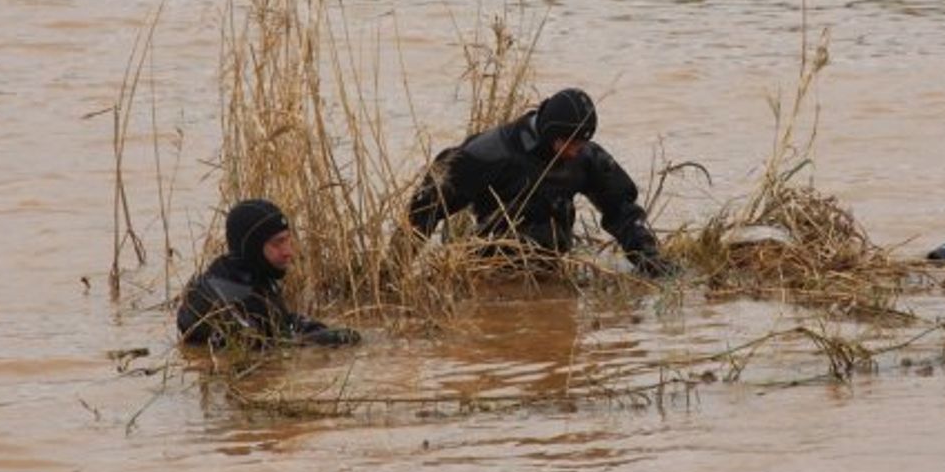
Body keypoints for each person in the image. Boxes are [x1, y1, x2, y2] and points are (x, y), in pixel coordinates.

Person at [404, 88, 678, 278]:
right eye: (569, 143)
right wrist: (395, 268)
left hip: (551, 268)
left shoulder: (586, 157)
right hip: (490, 271)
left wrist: (650, 259)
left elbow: (622, 210)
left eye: (581, 143)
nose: (575, 151)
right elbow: (424, 209)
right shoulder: (490, 153)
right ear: (549, 134)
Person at [177, 199, 361, 347]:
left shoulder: (252, 277)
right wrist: (324, 340)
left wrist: (316, 330)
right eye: (277, 243)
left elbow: (281, 324)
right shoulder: (224, 299)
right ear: (252, 249)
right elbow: (268, 349)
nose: (288, 252)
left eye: (288, 240)